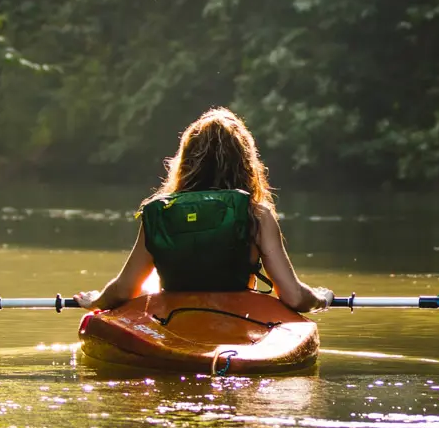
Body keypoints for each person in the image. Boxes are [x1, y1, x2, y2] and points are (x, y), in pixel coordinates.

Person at [73, 107, 333, 312]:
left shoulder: (161, 213)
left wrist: (97, 301)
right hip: (237, 322)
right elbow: (294, 297)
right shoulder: (257, 215)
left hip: (172, 321)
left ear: (185, 161)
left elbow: (123, 290)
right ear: (245, 163)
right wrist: (320, 298)